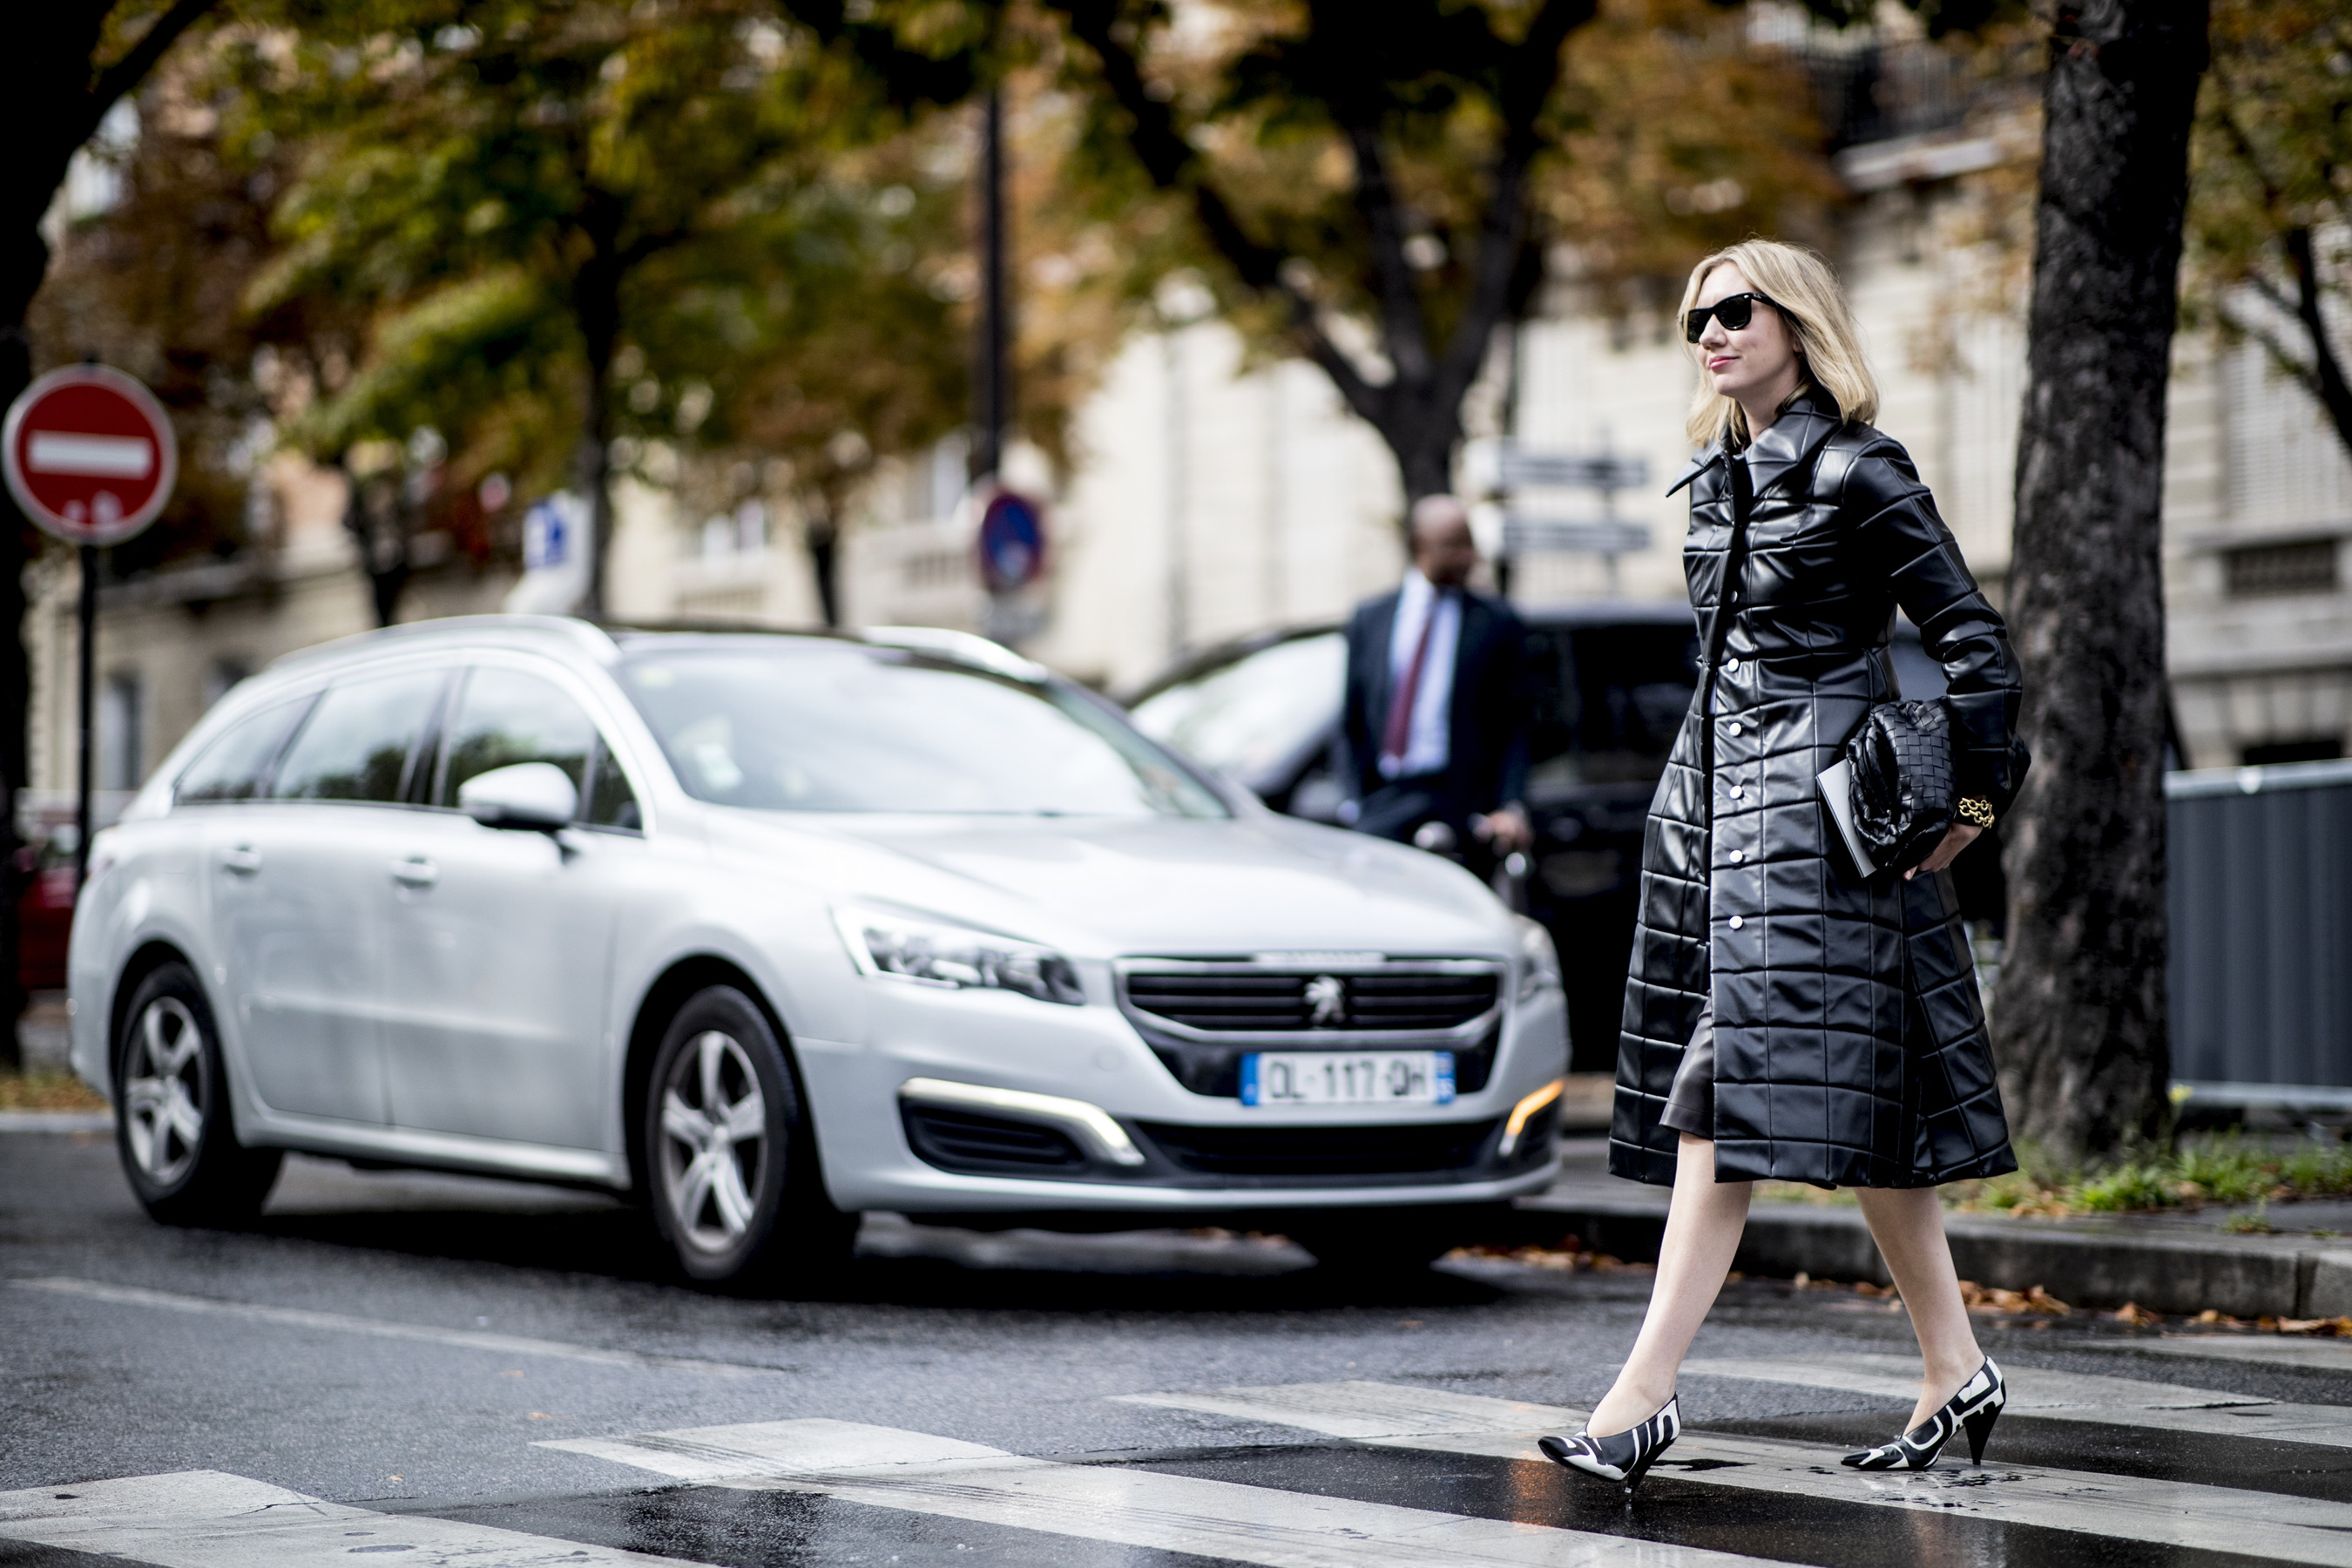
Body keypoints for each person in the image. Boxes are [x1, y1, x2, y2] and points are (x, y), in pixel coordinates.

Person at [1538, 240, 2028, 1496]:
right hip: (1720, 832)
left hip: (1827, 841)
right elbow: (1719, 683)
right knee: (1864, 1118)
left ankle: (1639, 1400)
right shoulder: (1714, 480)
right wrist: (1686, 821)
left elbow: (1976, 648)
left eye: (1734, 309)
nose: (1709, 330)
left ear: (1797, 321)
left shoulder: (1863, 468)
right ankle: (1954, 1367)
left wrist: (1972, 800)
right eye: (1694, 314)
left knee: (1720, 1104)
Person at [1335, 495, 1533, 860]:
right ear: (1419, 546)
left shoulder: (1495, 623)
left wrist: (1511, 803)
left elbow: (1514, 726)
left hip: (1462, 808)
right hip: (1384, 803)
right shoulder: (1371, 618)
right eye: (1453, 546)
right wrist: (1353, 801)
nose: (1467, 557)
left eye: (1469, 544)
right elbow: (1352, 720)